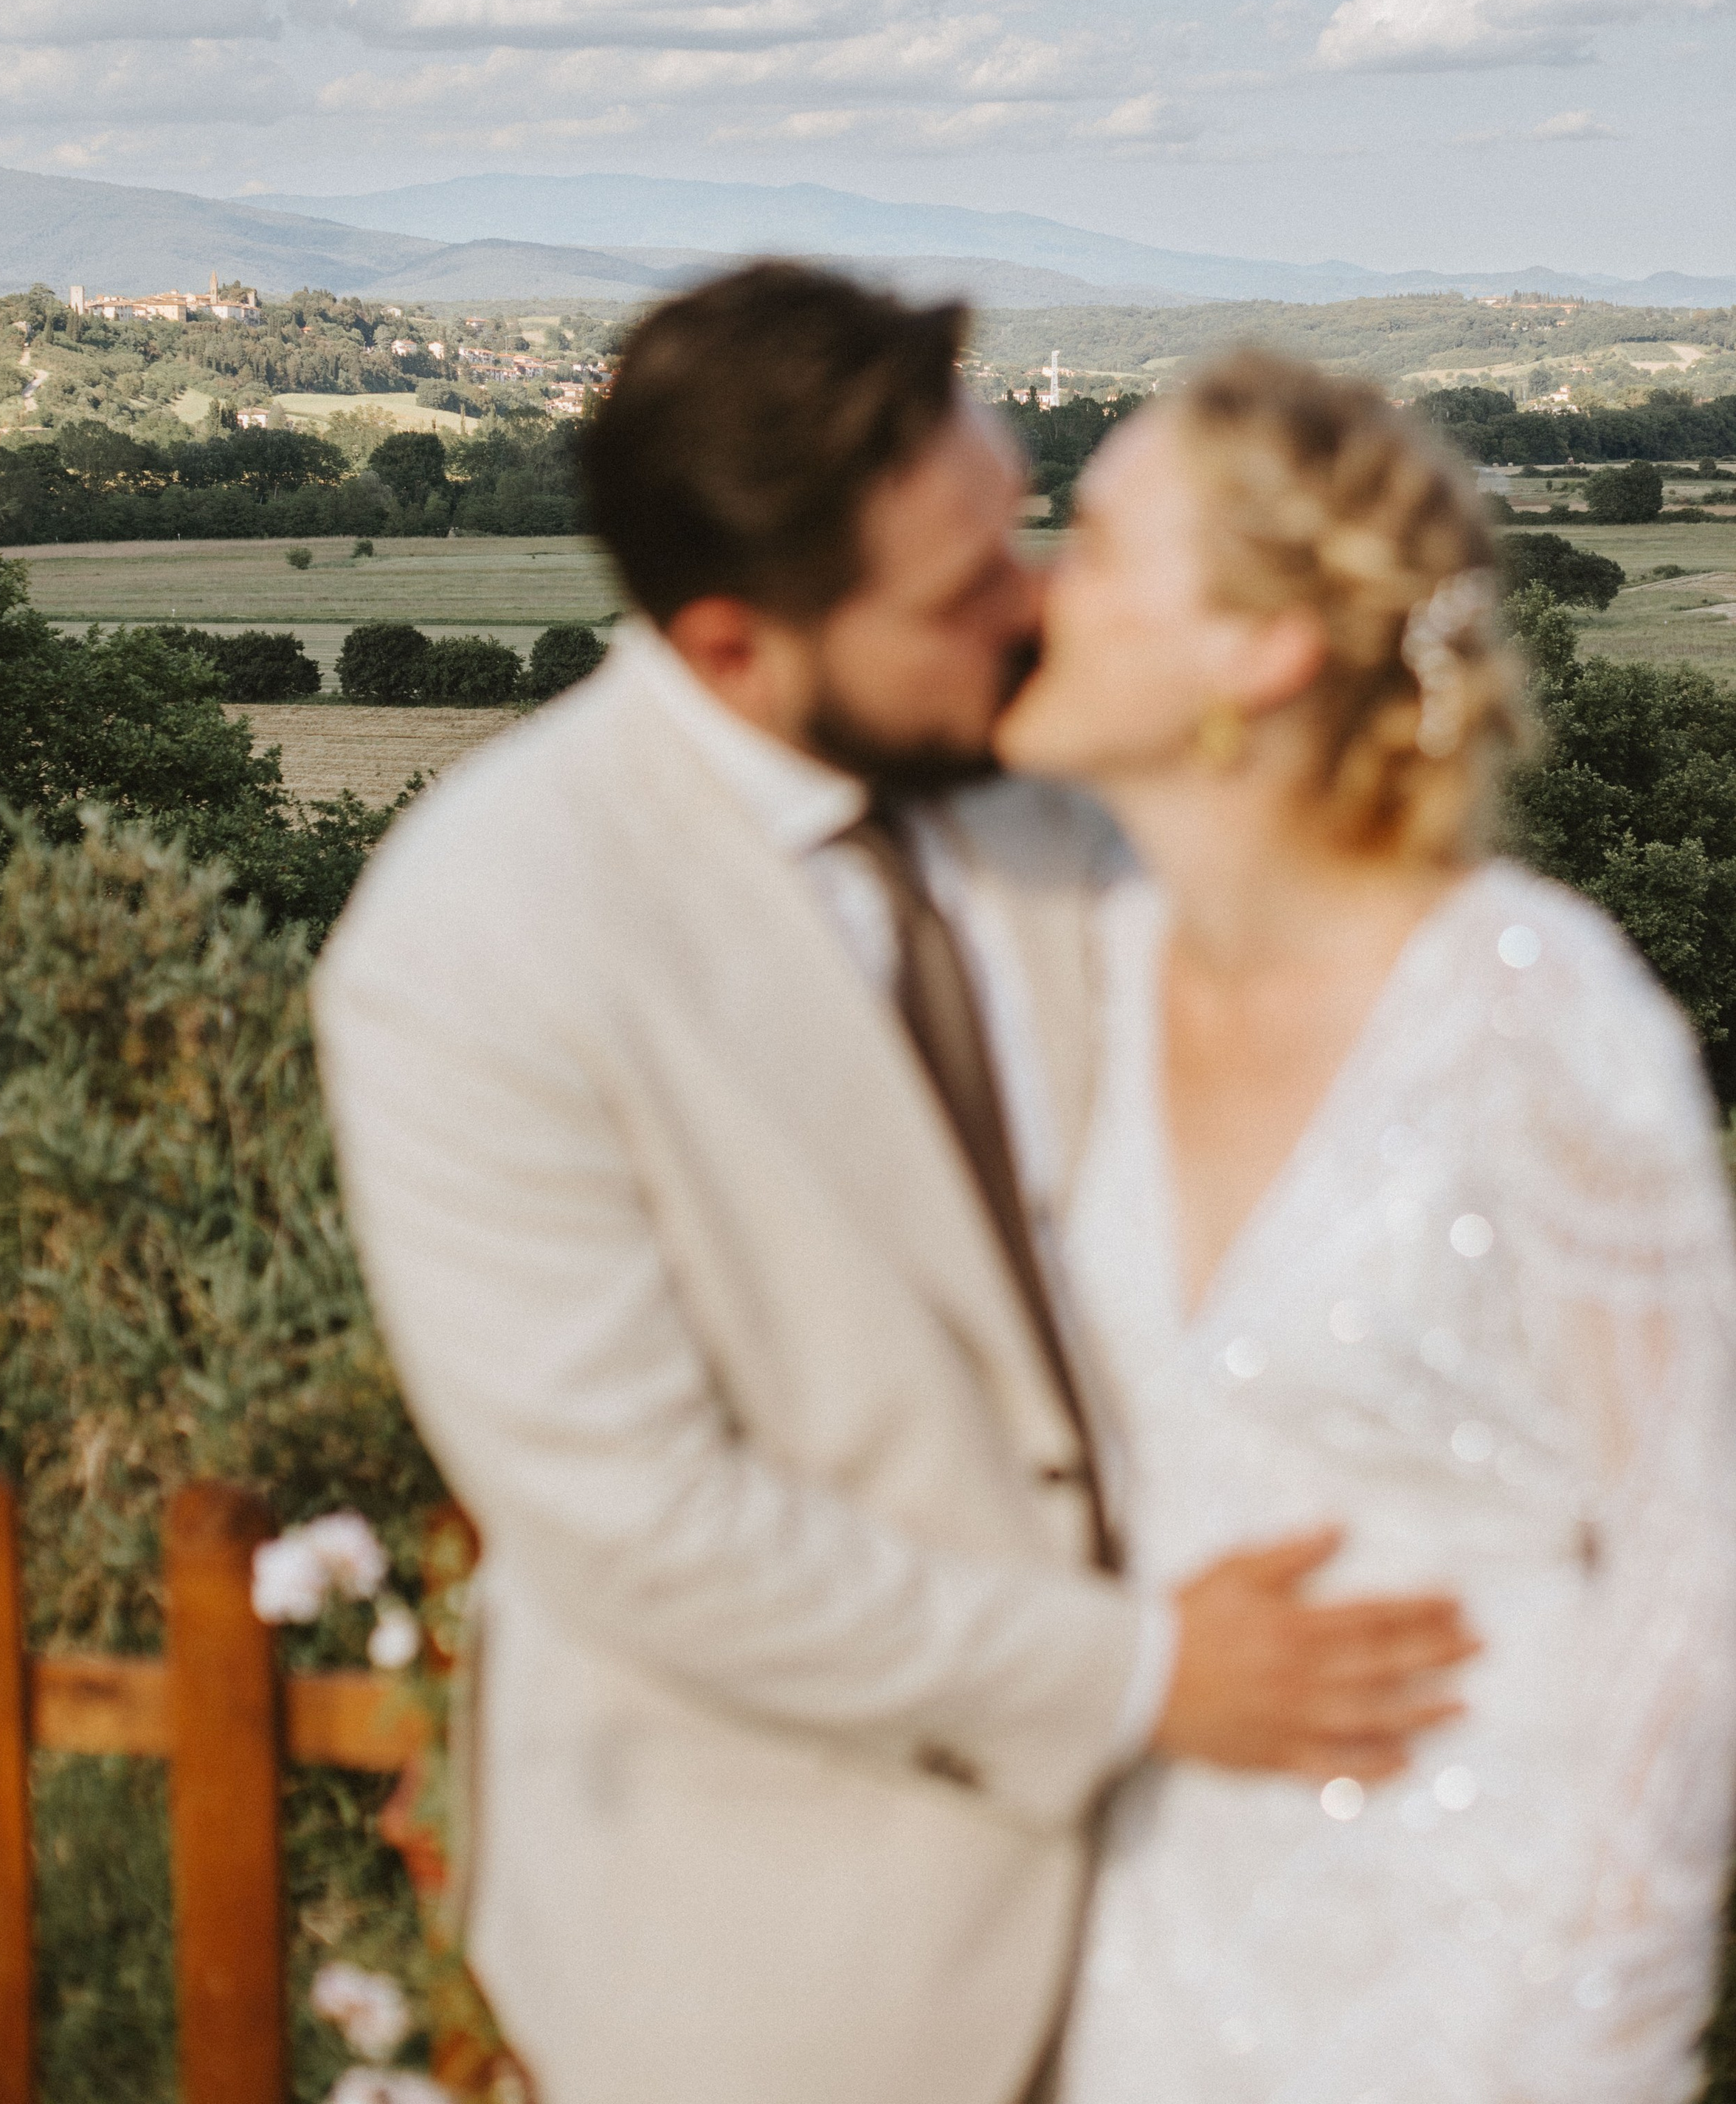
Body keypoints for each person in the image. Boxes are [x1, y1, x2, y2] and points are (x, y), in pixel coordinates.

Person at [314, 270, 1474, 2104]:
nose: (1030, 609)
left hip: (1219, 1909)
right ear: (726, 648)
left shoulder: (1056, 781)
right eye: (957, 597)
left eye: (1017, 527)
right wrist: (1139, 1681)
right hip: (780, 1972)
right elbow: (640, 1521)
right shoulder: (477, 943)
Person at [996, 349, 1736, 2103]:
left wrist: (1588, 2022)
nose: (1035, 587)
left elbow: (1689, 1577)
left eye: (1093, 546)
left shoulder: (1532, 1018)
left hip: (1470, 1980)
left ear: (1257, 652)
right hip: (1126, 1953)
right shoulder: (1051, 979)